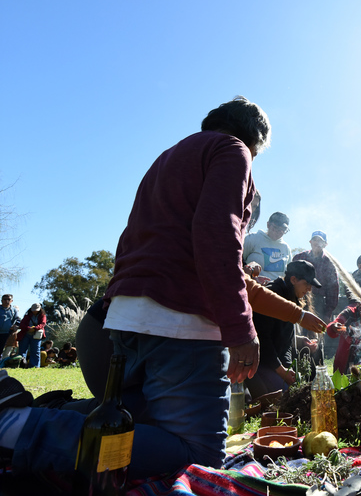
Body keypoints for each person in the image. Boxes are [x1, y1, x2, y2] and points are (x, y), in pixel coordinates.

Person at [0, 96, 272, 480]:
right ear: (254, 141)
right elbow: (216, 234)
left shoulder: (168, 157)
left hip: (130, 312)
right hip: (181, 318)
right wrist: (241, 328)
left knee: (137, 414)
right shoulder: (231, 149)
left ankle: (45, 416)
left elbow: (134, 237)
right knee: (198, 455)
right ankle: (20, 426)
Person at [247, 260, 326, 399]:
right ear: (294, 280)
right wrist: (282, 371)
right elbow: (263, 339)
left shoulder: (291, 297)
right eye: (307, 284)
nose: (309, 289)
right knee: (285, 397)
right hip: (261, 363)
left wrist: (298, 342)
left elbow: (281, 338)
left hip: (276, 364)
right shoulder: (272, 295)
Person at [293, 231, 339, 356]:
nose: (317, 243)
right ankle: (296, 363)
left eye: (320, 241)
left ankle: (316, 366)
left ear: (325, 244)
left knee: (315, 334)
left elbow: (333, 288)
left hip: (318, 301)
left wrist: (328, 312)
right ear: (310, 242)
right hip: (298, 298)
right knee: (297, 330)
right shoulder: (299, 258)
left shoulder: (329, 263)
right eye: (315, 240)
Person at [326, 289, 361, 375]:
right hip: (344, 362)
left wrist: (358, 333)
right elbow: (333, 326)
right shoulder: (349, 312)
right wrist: (334, 326)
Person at [242, 211, 292, 284]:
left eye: (282, 230)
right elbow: (238, 261)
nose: (278, 232)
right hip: (253, 288)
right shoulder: (252, 239)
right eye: (275, 227)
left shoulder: (286, 248)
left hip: (276, 291)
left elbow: (287, 274)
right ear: (268, 225)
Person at [16, 304, 46, 368]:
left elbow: (42, 324)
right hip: (26, 334)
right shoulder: (27, 316)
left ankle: (35, 366)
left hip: (36, 335)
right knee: (22, 350)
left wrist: (35, 328)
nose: (35, 311)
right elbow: (22, 324)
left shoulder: (42, 316)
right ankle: (21, 364)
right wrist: (28, 328)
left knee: (35, 351)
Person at [1, 294, 19, 359]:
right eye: (5, 299)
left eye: (8, 299)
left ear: (11, 300)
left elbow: (17, 320)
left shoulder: (14, 310)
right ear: (1, 300)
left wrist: (15, 326)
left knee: (3, 350)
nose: (6, 301)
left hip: (6, 333)